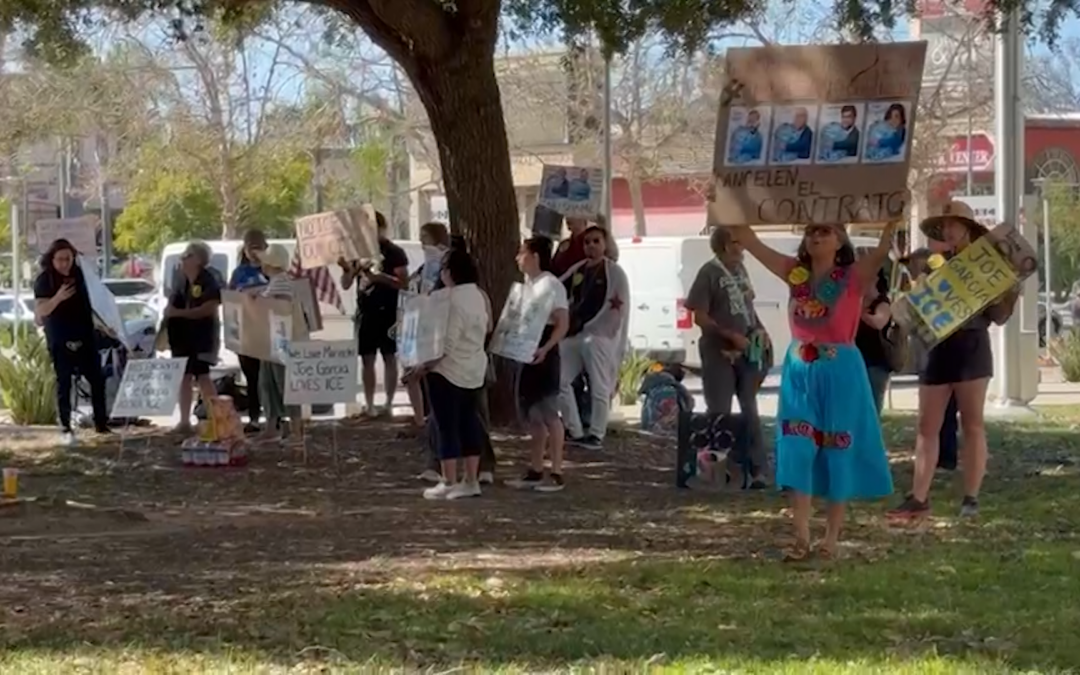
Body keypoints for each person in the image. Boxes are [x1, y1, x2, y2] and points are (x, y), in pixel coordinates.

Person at [731, 221, 895, 560]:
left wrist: (892, 219)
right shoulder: (795, 273)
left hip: (841, 370)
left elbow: (881, 252)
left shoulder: (853, 276)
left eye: (826, 231)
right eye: (811, 232)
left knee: (838, 447)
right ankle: (801, 536)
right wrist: (729, 202)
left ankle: (830, 539)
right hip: (800, 369)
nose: (817, 236)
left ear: (840, 241)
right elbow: (751, 241)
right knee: (797, 445)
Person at [890, 201, 1018, 520]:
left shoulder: (989, 267)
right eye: (943, 225)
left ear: (969, 229)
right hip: (935, 349)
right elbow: (910, 308)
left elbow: (1000, 316)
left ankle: (971, 498)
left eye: (954, 224)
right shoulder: (928, 263)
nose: (948, 230)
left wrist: (1008, 292)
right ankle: (919, 497)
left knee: (972, 424)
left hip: (971, 346)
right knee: (926, 425)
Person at [685, 226, 770, 488]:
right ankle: (716, 471)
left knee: (750, 408)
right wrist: (728, 335)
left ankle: (756, 470)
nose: (741, 247)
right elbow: (699, 316)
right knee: (719, 410)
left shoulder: (741, 271)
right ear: (722, 245)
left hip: (746, 349)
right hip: (718, 349)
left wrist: (760, 330)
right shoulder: (709, 272)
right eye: (735, 242)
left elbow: (747, 308)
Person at [418, 234, 499, 485]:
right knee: (470, 424)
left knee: (447, 427)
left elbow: (446, 343)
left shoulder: (452, 299)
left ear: (450, 271)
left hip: (447, 371)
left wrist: (424, 366)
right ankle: (471, 480)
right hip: (473, 369)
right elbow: (485, 327)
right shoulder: (477, 296)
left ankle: (449, 480)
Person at [557, 226, 630, 450]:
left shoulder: (614, 272)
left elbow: (619, 306)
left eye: (596, 241)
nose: (591, 245)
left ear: (605, 244)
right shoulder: (578, 270)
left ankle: (597, 433)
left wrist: (597, 327)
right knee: (560, 380)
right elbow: (560, 289)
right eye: (587, 242)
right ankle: (575, 429)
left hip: (598, 335)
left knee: (599, 384)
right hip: (574, 333)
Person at [507, 236, 571, 492]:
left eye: (522, 253)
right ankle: (535, 467)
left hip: (543, 350)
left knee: (548, 412)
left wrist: (546, 348)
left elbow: (562, 322)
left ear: (535, 256)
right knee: (532, 413)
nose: (518, 258)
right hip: (525, 349)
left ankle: (556, 470)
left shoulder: (551, 285)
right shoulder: (526, 286)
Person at [33, 238, 110, 443]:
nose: (65, 264)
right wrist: (58, 297)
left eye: (68, 259)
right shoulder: (44, 279)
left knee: (96, 377)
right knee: (64, 381)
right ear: (52, 259)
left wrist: (105, 324)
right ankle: (65, 425)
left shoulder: (81, 275)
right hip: (59, 334)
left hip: (84, 332)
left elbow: (95, 303)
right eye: (60, 260)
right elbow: (41, 312)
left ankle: (101, 423)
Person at [340, 211, 410, 416]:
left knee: (390, 357)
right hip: (365, 312)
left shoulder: (395, 252)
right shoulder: (356, 252)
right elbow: (345, 284)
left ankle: (388, 404)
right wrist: (349, 270)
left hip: (388, 311)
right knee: (367, 359)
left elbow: (404, 283)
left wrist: (380, 278)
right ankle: (369, 405)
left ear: (381, 229)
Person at [901, 247, 960, 470]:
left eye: (914, 264)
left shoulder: (938, 289)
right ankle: (934, 458)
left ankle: (946, 457)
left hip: (946, 355)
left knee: (947, 412)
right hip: (927, 357)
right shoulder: (914, 288)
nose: (911, 269)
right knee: (930, 415)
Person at [164, 241, 222, 434]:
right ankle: (184, 421)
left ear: (197, 259)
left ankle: (217, 420)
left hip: (202, 336)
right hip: (181, 337)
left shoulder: (208, 280)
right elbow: (172, 306)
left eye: (187, 255)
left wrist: (179, 314)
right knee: (184, 377)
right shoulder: (180, 279)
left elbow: (209, 308)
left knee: (203, 376)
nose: (182, 258)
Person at [250, 244, 302, 444]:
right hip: (271, 340)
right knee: (268, 383)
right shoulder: (277, 282)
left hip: (282, 341)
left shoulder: (281, 282)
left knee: (284, 384)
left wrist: (259, 301)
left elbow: (280, 306)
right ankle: (272, 426)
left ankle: (296, 429)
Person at [404, 221, 451, 428]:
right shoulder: (423, 266)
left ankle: (433, 418)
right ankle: (419, 418)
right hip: (419, 323)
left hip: (437, 326)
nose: (422, 243)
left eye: (426, 237)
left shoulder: (445, 261)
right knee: (411, 373)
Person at [228, 229, 269, 433]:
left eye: (258, 247)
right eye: (250, 248)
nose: (254, 252)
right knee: (252, 378)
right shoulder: (239, 273)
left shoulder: (271, 269)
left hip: (268, 332)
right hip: (245, 332)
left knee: (268, 377)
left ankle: (274, 416)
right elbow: (230, 297)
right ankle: (254, 418)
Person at [855, 268, 893, 414]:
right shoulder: (854, 300)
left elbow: (879, 322)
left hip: (875, 364)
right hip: (855, 361)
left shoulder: (882, 302)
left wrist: (859, 312)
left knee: (872, 408)